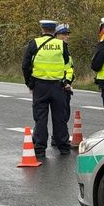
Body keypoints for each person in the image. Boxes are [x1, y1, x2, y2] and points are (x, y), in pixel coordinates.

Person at [22, 20, 72, 158]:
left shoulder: (34, 43)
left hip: (40, 86)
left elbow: (25, 65)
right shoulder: (61, 44)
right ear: (54, 30)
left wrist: (29, 83)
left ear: (42, 29)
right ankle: (64, 147)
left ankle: (39, 149)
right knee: (60, 117)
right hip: (57, 86)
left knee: (40, 118)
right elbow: (67, 63)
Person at [54, 23, 74, 124]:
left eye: (68, 34)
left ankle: (60, 138)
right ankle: (58, 139)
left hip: (66, 84)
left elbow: (69, 67)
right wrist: (64, 81)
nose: (67, 36)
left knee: (65, 114)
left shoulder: (65, 47)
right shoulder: (56, 49)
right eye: (64, 34)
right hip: (60, 84)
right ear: (57, 35)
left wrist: (69, 81)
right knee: (61, 114)